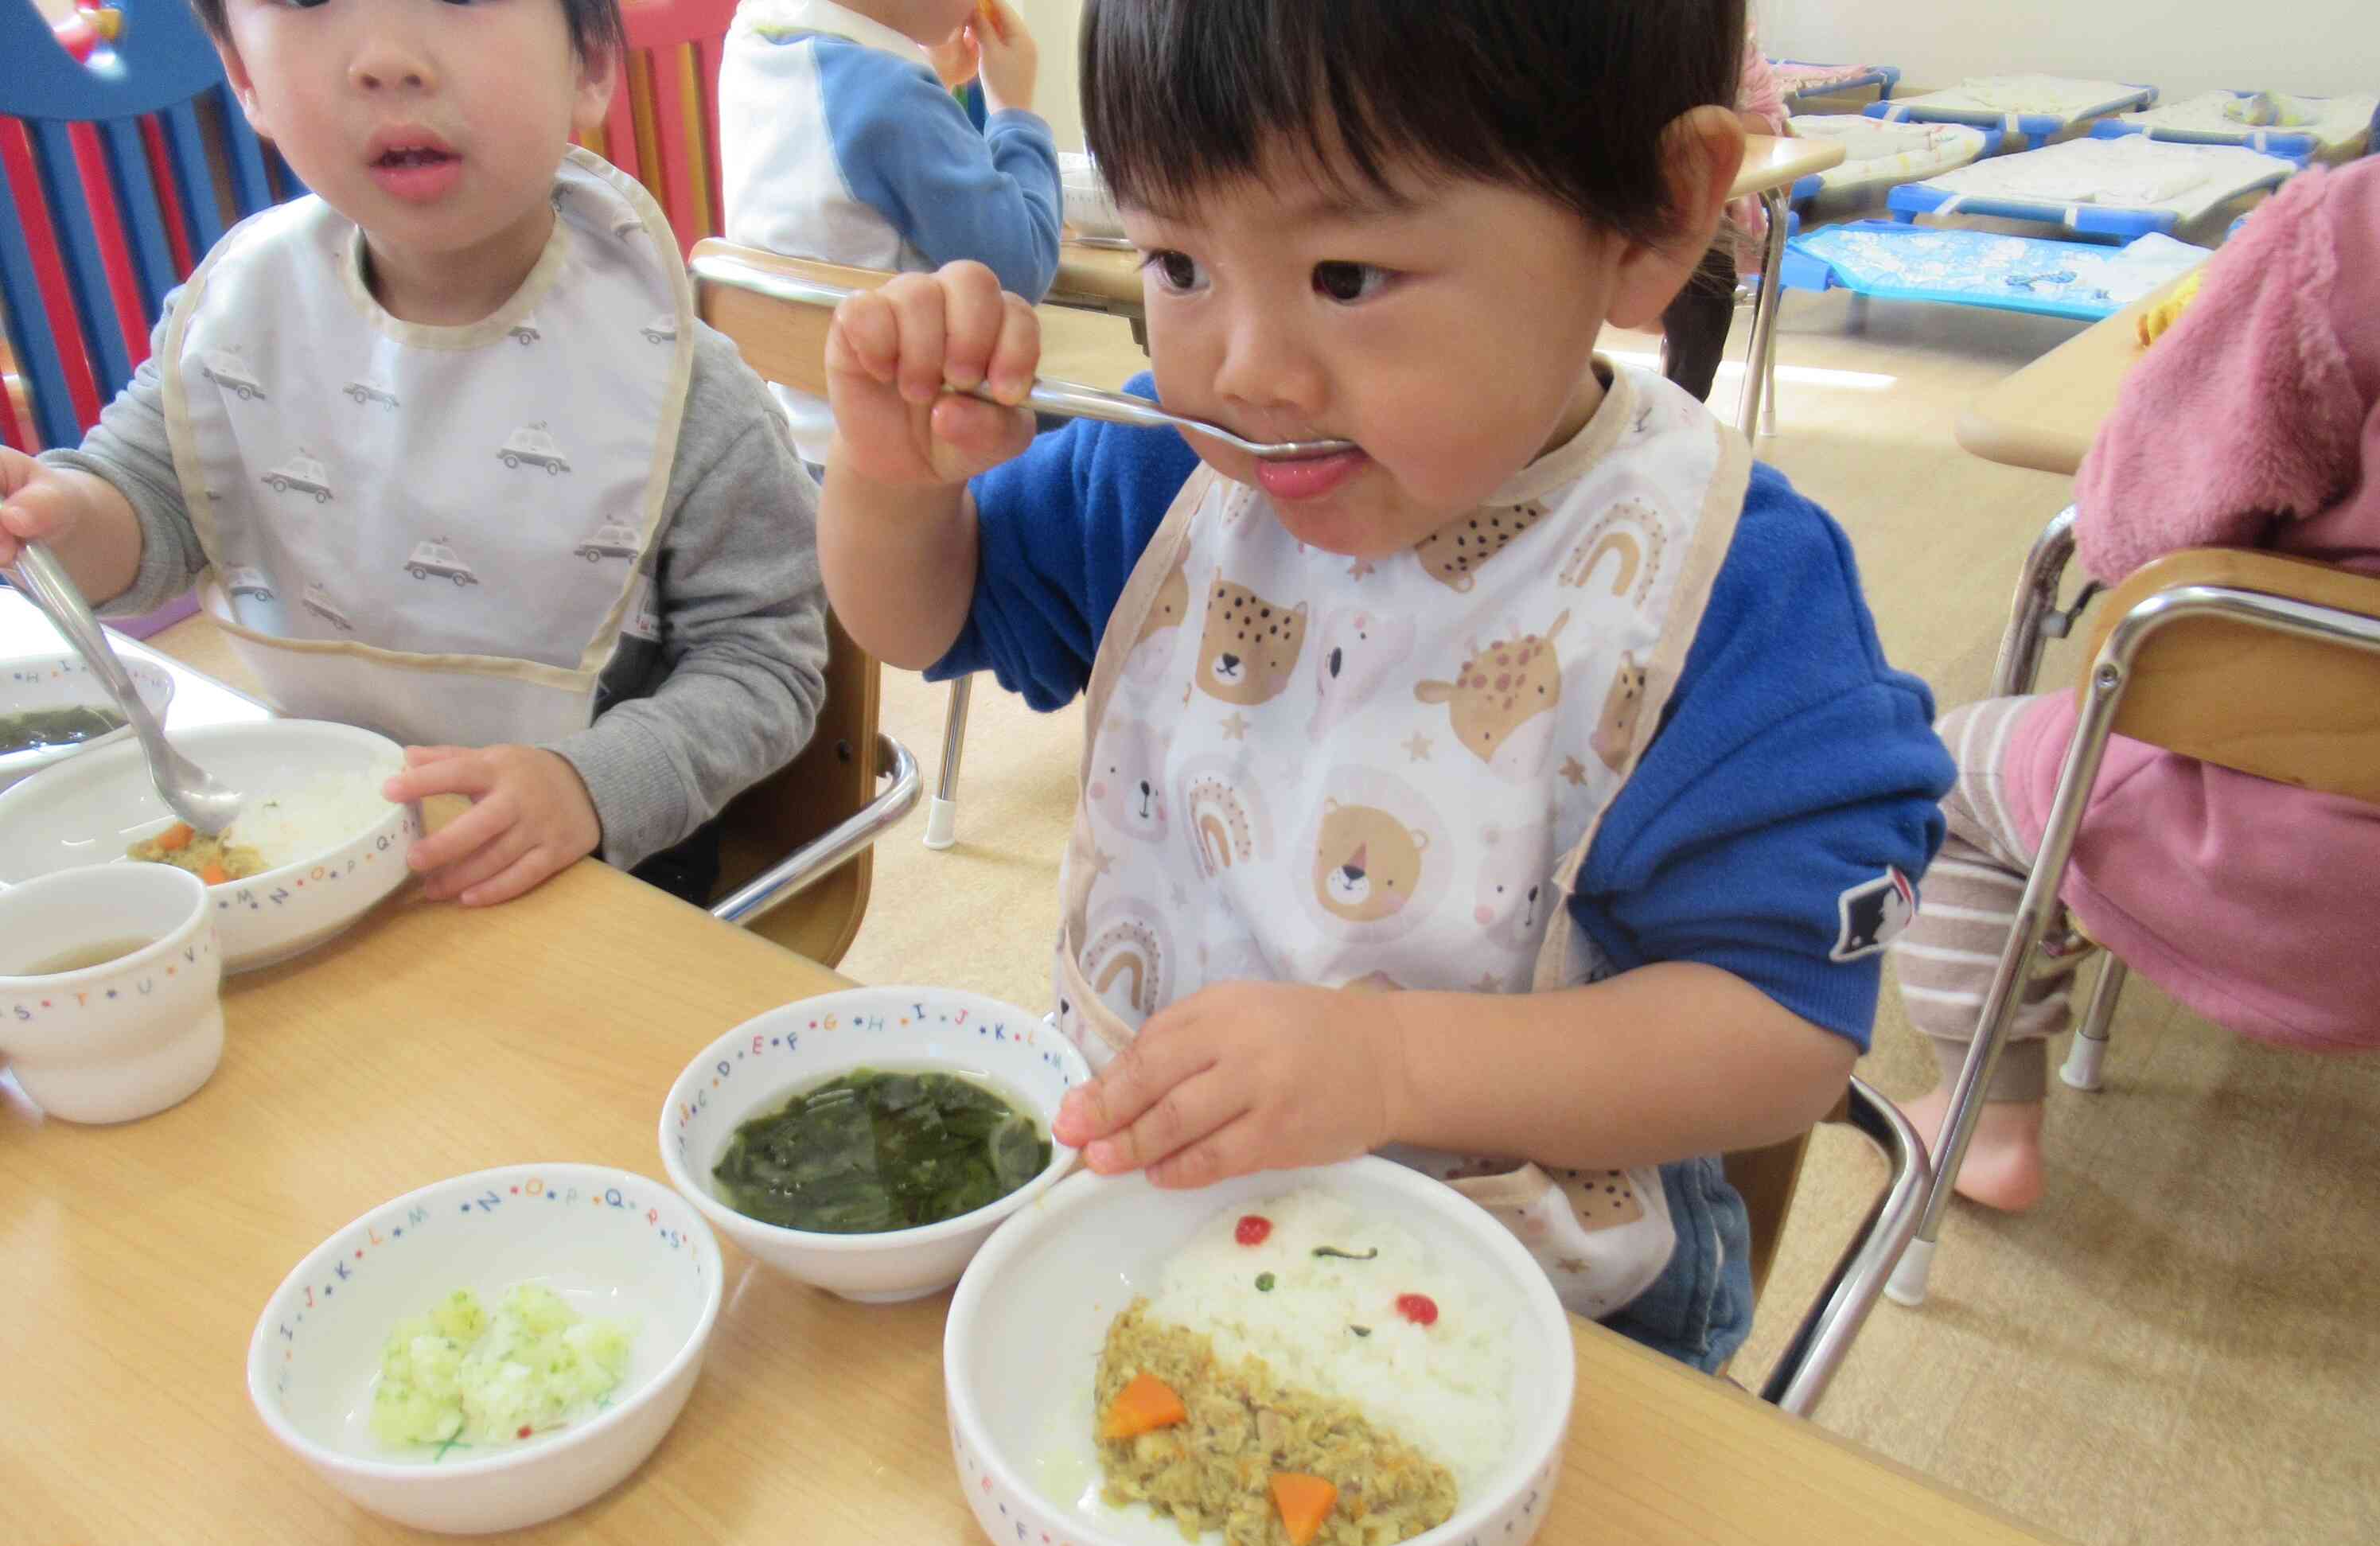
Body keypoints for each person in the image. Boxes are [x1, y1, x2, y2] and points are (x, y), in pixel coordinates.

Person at [812, 0, 1952, 1370]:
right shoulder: (1174, 478)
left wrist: (1393, 1068)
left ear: (1652, 217)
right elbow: (924, 616)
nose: (1243, 373)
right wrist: (888, 480)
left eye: (1346, 277)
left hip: (1537, 1307)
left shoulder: (1722, 592)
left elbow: (1784, 1042)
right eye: (1178, 260)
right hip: (1158, 1220)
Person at [0, 0, 828, 909]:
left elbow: (766, 662)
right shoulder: (246, 321)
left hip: (592, 862)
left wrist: (591, 786)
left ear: (589, 62)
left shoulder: (682, 389)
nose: (386, 61)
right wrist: (58, 518)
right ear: (243, 77)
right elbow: (150, 501)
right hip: (310, 829)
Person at [1893, 153, 2380, 1212]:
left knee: (1939, 774)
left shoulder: (2347, 233)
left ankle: (1986, 1121)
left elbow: (2135, 531)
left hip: (2299, 873)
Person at [718, 0, 1063, 464]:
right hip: (922, 461)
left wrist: (926, 81)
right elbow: (1025, 267)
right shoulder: (891, 97)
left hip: (804, 457)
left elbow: (852, 185)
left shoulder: (752, 45)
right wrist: (1014, 113)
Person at [1659, 29, 1786, 403]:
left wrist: (1703, 129)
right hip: (1606, 191)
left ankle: (1684, 405)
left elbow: (1770, 120)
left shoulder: (1733, 40)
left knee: (1707, 276)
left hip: (1695, 204)